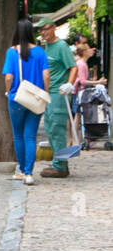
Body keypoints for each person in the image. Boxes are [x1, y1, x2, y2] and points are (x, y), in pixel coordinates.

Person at [3, 18, 49, 185]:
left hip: (17, 98)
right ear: (31, 32)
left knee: (18, 135)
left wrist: (9, 91)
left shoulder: (11, 52)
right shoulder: (40, 52)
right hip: (35, 99)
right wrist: (45, 91)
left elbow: (9, 76)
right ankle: (29, 173)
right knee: (30, 136)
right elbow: (46, 75)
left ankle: (22, 171)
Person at [37, 19, 77, 180]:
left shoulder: (61, 46)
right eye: (40, 30)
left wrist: (69, 84)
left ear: (53, 28)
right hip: (49, 92)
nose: (43, 33)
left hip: (59, 93)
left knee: (57, 128)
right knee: (50, 128)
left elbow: (73, 66)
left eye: (45, 29)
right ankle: (59, 162)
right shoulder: (46, 47)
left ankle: (60, 166)